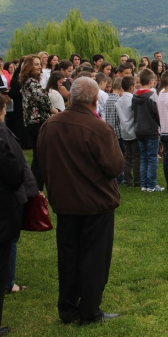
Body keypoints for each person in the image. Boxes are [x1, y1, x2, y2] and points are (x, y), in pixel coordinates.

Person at [37, 77, 123, 325]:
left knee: (68, 256)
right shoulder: (98, 128)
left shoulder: (50, 125)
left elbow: (41, 159)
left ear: (71, 97)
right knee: (94, 258)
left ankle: (67, 308)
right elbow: (114, 166)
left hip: (65, 203)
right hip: (94, 204)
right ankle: (89, 310)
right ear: (95, 100)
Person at [0, 93, 37, 312]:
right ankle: (8, 281)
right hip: (8, 198)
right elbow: (16, 169)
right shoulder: (3, 134)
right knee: (9, 240)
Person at [21, 55, 58, 191]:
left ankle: (33, 187)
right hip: (38, 122)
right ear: (29, 67)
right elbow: (44, 101)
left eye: (39, 64)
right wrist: (56, 112)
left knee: (37, 156)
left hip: (31, 123)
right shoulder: (32, 83)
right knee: (43, 157)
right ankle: (38, 188)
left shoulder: (26, 82)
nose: (39, 67)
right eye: (36, 64)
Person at [132, 68, 163, 192]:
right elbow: (157, 113)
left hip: (139, 129)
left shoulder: (135, 96)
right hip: (151, 129)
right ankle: (151, 185)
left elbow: (133, 111)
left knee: (143, 157)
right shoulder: (152, 96)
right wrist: (161, 126)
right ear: (151, 81)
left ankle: (144, 184)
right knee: (152, 158)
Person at [116, 76, 141, 188]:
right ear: (132, 86)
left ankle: (127, 181)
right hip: (134, 131)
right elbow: (136, 114)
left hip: (124, 131)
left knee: (127, 157)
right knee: (136, 157)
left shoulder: (119, 100)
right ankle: (137, 181)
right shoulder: (133, 99)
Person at [105, 78, 124, 184]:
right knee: (120, 156)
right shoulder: (118, 101)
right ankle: (120, 177)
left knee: (112, 156)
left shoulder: (108, 99)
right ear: (121, 88)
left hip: (110, 131)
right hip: (118, 132)